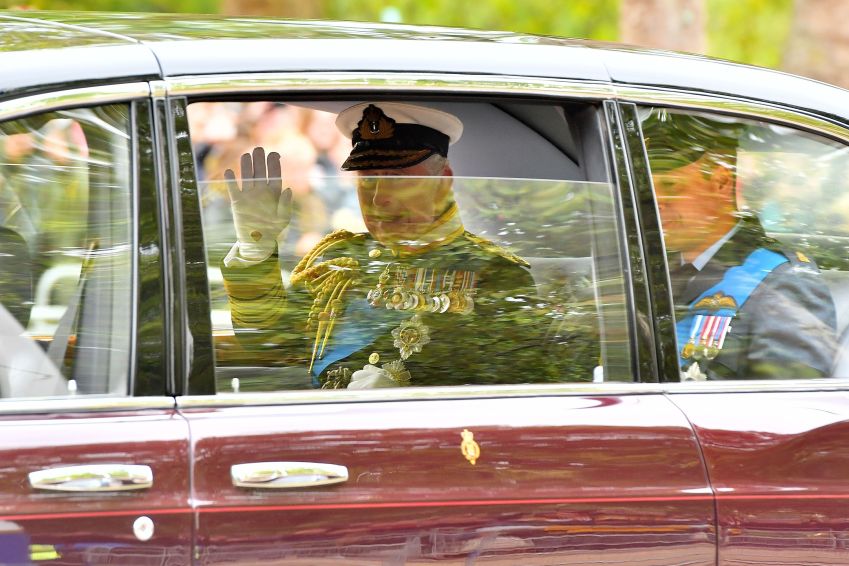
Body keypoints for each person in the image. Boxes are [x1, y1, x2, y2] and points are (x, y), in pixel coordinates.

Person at [220, 102, 594, 389]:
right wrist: (256, 250)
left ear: (443, 181)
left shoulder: (495, 275)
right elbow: (271, 346)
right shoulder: (337, 257)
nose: (379, 198)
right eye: (368, 180)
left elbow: (514, 388)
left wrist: (412, 396)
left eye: (397, 178)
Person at [642, 109, 837, 379]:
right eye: (650, 190)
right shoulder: (650, 268)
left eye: (671, 186)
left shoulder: (781, 279)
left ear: (721, 182)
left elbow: (792, 398)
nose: (656, 203)